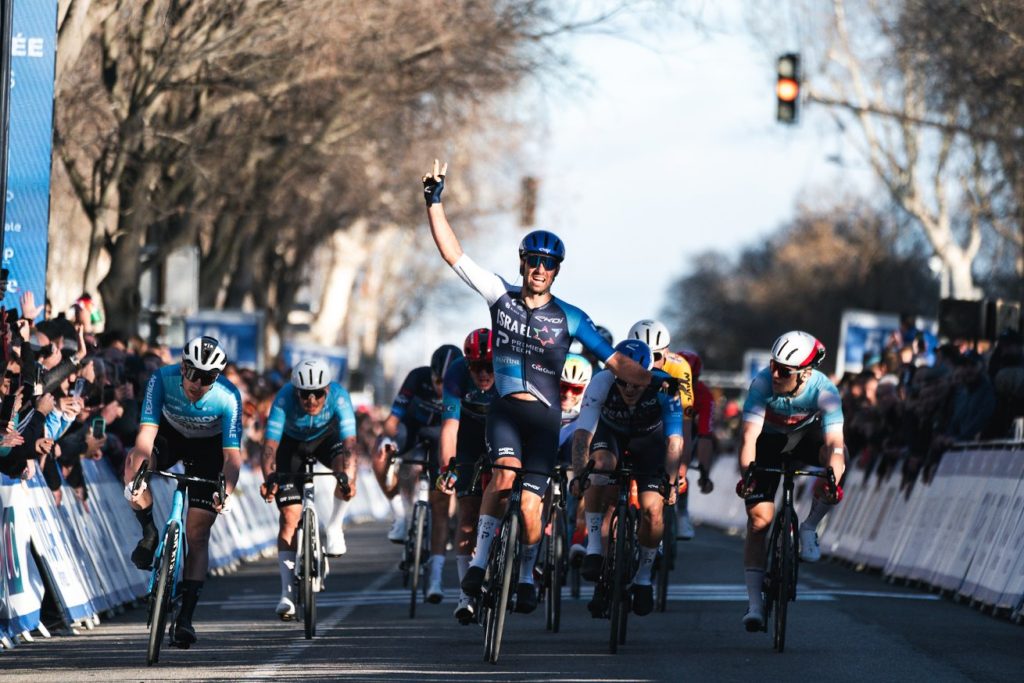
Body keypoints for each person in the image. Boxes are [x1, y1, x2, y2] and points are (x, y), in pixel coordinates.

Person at [422, 159, 651, 614]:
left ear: (557, 271)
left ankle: (526, 572)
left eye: (548, 264)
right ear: (522, 263)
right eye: (534, 261)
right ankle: (479, 562)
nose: (540, 269)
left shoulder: (571, 317)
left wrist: (655, 379)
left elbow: (614, 360)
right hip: (506, 411)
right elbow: (454, 255)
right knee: (503, 475)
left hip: (544, 421)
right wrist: (433, 201)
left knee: (531, 506)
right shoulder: (499, 295)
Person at [123, 336, 243, 646]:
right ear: (182, 367)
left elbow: (232, 457)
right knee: (133, 468)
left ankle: (186, 617)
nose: (197, 383)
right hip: (169, 438)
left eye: (207, 378)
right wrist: (139, 475)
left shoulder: (228, 397)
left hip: (209, 450)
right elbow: (145, 439)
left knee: (198, 532)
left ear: (216, 378)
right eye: (192, 374)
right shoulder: (162, 379)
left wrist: (225, 490)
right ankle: (149, 532)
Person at [736, 330, 846, 632]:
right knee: (759, 520)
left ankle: (809, 526)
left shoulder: (824, 391)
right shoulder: (761, 384)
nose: (774, 373)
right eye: (773, 364)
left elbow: (835, 442)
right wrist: (747, 474)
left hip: (806, 441)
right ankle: (755, 604)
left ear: (804, 373)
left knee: (837, 458)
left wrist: (833, 478)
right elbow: (749, 437)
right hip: (767, 443)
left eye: (783, 370)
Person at [570, 340, 684, 617]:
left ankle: (644, 578)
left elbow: (674, 440)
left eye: (636, 383)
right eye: (623, 383)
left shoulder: (665, 387)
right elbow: (583, 433)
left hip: (650, 442)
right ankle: (595, 547)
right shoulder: (601, 382)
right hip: (612, 436)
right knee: (600, 466)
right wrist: (579, 473)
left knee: (652, 510)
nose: (630, 389)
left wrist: (670, 482)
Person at [259, 358, 358, 620]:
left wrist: (348, 477)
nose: (311, 401)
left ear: (327, 390)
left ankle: (335, 525)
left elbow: (350, 443)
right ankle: (287, 593)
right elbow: (270, 446)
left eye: (317, 394)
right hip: (291, 446)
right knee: (289, 517)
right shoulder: (283, 399)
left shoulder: (339, 397)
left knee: (345, 472)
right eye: (305, 395)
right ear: (296, 392)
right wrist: (269, 477)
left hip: (327, 441)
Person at [436, 328, 499, 621]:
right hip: (470, 439)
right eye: (477, 368)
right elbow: (450, 428)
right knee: (468, 514)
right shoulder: (456, 374)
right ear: (468, 365)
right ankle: (466, 594)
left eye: (489, 367)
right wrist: (448, 467)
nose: (484, 374)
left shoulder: (510, 370)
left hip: (503, 434)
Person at [374, 343, 462, 542]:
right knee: (379, 454)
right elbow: (392, 420)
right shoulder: (417, 377)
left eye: (448, 382)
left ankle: (447, 518)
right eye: (438, 381)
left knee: (448, 479)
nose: (442, 388)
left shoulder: (463, 386)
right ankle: (399, 515)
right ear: (430, 373)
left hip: (441, 435)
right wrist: (388, 441)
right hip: (411, 429)